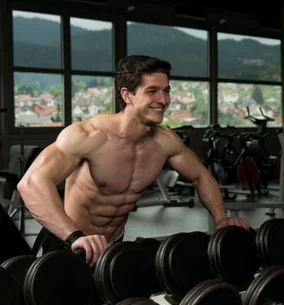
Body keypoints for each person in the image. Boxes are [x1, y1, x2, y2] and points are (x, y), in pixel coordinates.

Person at [18, 55, 249, 265]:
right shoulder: (89, 136)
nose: (163, 100)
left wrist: (221, 218)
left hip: (114, 245)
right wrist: (74, 236)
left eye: (166, 91)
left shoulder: (166, 141)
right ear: (127, 95)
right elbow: (31, 183)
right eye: (152, 91)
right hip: (70, 243)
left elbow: (201, 176)